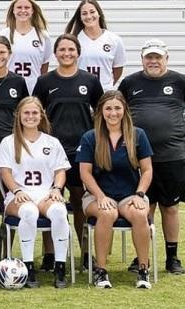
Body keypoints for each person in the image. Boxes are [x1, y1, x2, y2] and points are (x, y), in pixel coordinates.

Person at [33, 34, 103, 269]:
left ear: (78, 52)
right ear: (55, 54)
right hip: (51, 151)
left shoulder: (90, 81)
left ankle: (85, 252)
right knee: (50, 198)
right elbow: (35, 112)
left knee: (77, 199)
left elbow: (101, 113)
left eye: (71, 49)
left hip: (81, 151)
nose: (66, 53)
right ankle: (50, 254)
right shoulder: (45, 81)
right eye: (62, 50)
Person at [118, 39, 185, 274]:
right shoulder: (130, 83)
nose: (153, 61)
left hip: (172, 155)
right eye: (149, 57)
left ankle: (172, 258)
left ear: (166, 58)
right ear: (142, 59)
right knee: (144, 207)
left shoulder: (179, 81)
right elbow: (117, 112)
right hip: (139, 158)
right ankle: (142, 257)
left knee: (170, 207)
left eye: (158, 57)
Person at [77, 91, 153, 289]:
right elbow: (85, 173)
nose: (113, 113)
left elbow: (147, 170)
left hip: (130, 194)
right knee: (107, 212)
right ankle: (101, 271)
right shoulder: (90, 137)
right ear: (101, 111)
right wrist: (100, 196)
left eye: (117, 108)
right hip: (97, 195)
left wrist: (139, 194)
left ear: (124, 110)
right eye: (108, 108)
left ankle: (143, 269)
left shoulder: (138, 134)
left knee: (138, 213)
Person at [0, 97, 70, 288]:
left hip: (45, 193)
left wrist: (56, 188)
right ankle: (28, 266)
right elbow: (5, 172)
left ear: (41, 115)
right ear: (18, 116)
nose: (30, 116)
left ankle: (60, 267)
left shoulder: (51, 142)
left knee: (60, 212)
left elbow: (60, 171)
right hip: (18, 195)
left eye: (34, 112)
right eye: (26, 113)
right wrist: (17, 190)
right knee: (29, 211)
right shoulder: (8, 142)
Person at [64, 0, 126, 92]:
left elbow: (118, 69)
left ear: (99, 14)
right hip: (80, 92)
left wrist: (106, 85)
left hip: (105, 94)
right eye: (84, 13)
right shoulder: (74, 40)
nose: (89, 16)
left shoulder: (114, 40)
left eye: (92, 12)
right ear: (80, 17)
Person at [0, 0, 52, 93]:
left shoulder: (43, 36)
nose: (23, 10)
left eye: (27, 7)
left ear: (32, 10)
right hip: (9, 90)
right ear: (13, 10)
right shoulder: (3, 35)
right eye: (19, 7)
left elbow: (44, 68)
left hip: (33, 91)